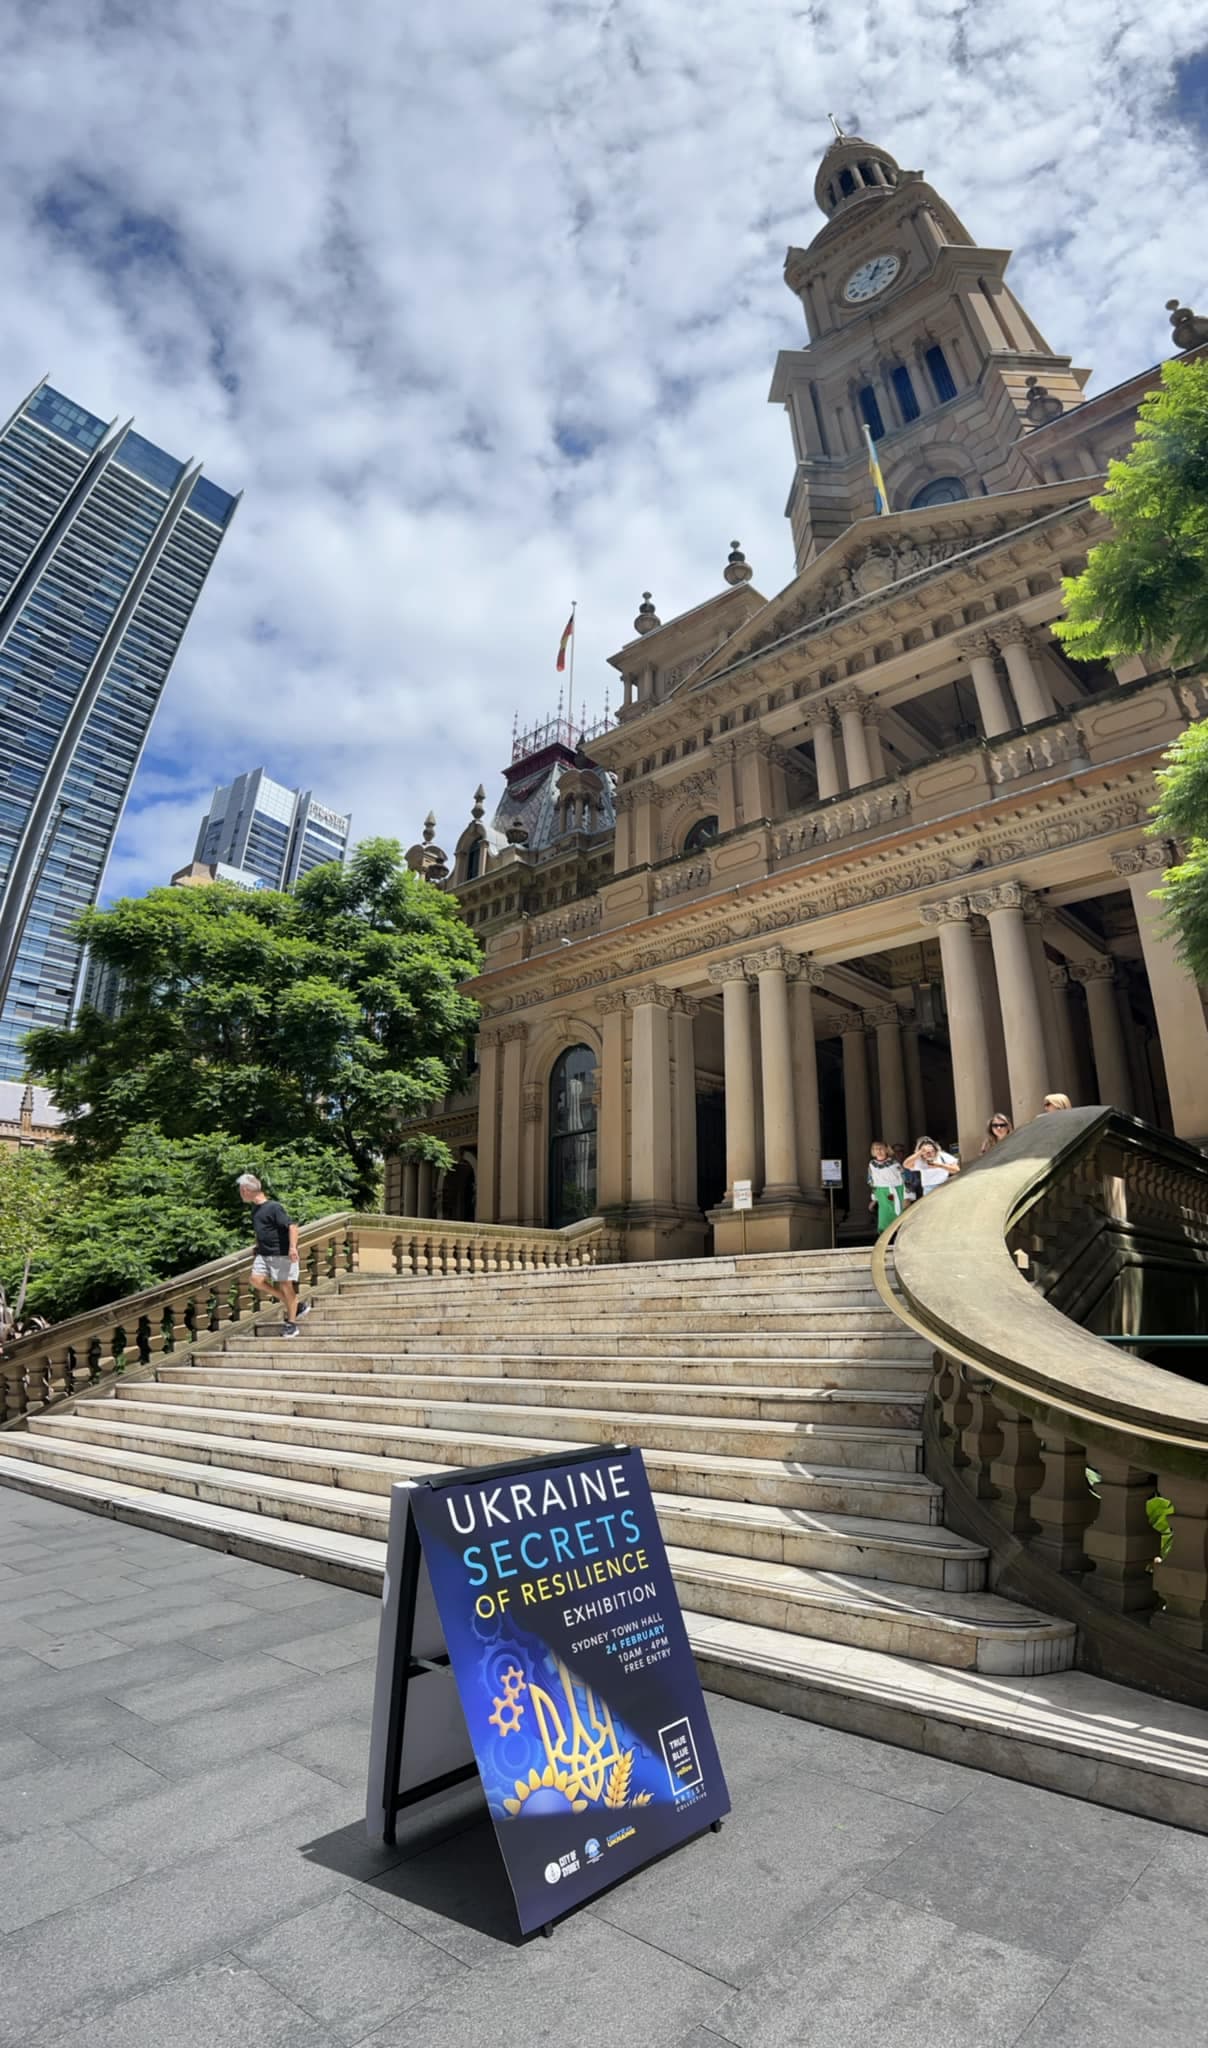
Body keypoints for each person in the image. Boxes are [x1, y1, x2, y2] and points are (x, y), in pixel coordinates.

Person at [237, 1173, 311, 1338]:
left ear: (246, 1190)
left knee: (286, 1286)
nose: (240, 1193)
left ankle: (292, 1324)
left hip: (281, 1254)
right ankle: (295, 1304)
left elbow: (292, 1226)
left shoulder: (274, 1207)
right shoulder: (255, 1209)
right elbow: (261, 1230)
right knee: (255, 1280)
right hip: (264, 1254)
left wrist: (293, 1248)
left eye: (241, 1190)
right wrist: (257, 1245)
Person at [867, 1141, 906, 1232]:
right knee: (884, 1217)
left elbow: (904, 1178)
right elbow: (871, 1181)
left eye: (881, 1148)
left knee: (898, 1215)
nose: (879, 1151)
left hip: (896, 1190)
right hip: (881, 1192)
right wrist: (874, 1198)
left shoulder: (894, 1163)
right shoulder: (872, 1164)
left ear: (886, 1150)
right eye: (876, 1149)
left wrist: (907, 1194)